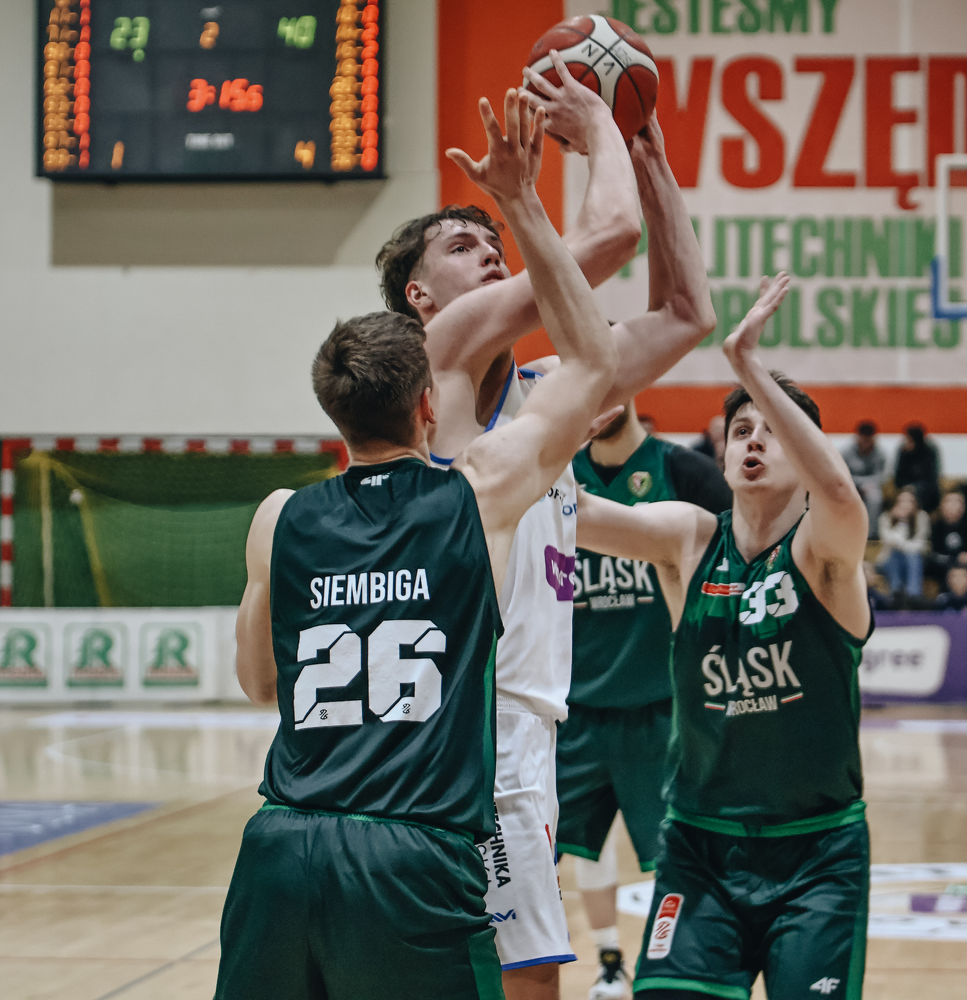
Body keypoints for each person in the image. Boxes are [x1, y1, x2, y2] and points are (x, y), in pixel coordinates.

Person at [216, 92, 617, 999]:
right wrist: (530, 196)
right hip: (417, 834)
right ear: (428, 402)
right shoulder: (476, 490)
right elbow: (596, 348)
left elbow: (259, 683)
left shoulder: (278, 516)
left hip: (283, 839)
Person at [376, 56, 715, 999]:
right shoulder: (432, 358)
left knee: (495, 977)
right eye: (462, 246)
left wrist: (650, 156)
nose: (491, 250)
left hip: (524, 727)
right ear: (419, 294)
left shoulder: (542, 406)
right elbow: (605, 240)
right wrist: (601, 121)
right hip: (464, 725)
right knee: (527, 982)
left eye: (494, 239)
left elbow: (686, 314)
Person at [576, 273, 874, 1000]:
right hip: (700, 848)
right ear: (721, 455)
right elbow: (570, 514)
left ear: (806, 450)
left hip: (817, 853)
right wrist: (551, 417)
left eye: (773, 430)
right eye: (741, 430)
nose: (753, 440)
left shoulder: (824, 554)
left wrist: (746, 363)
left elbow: (840, 494)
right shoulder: (689, 539)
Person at [560, 400, 731, 1000]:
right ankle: (608, 962)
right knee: (569, 849)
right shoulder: (557, 474)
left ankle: (674, 967)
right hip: (572, 707)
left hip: (665, 705)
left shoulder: (684, 472)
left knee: (676, 851)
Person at [876, 487, 929, 602]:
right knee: (895, 556)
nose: (905, 505)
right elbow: (889, 540)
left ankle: (913, 596)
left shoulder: (921, 517)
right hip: (888, 559)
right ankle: (897, 595)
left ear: (915, 503)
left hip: (914, 560)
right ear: (895, 503)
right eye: (901, 501)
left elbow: (920, 544)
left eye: (909, 501)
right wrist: (900, 521)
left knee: (912, 556)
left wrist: (902, 545)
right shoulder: (886, 517)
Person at [928, 490, 967, 590]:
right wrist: (955, 559)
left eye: (958, 502)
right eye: (950, 501)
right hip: (943, 566)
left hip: (964, 566)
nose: (954, 506)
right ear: (942, 505)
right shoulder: (937, 527)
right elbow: (935, 554)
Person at [840, 420, 886, 535]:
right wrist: (858, 484)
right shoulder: (845, 451)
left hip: (871, 486)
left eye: (868, 440)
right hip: (849, 485)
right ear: (857, 437)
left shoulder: (880, 453)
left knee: (875, 499)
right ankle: (844, 532)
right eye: (863, 440)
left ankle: (870, 534)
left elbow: (880, 476)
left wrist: (866, 485)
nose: (866, 443)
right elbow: (841, 473)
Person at [893, 422, 941, 513]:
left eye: (909, 440)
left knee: (921, 494)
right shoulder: (903, 452)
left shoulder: (929, 452)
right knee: (906, 496)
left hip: (926, 491)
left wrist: (915, 487)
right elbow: (898, 476)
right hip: (905, 488)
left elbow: (932, 478)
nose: (906, 442)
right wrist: (907, 486)